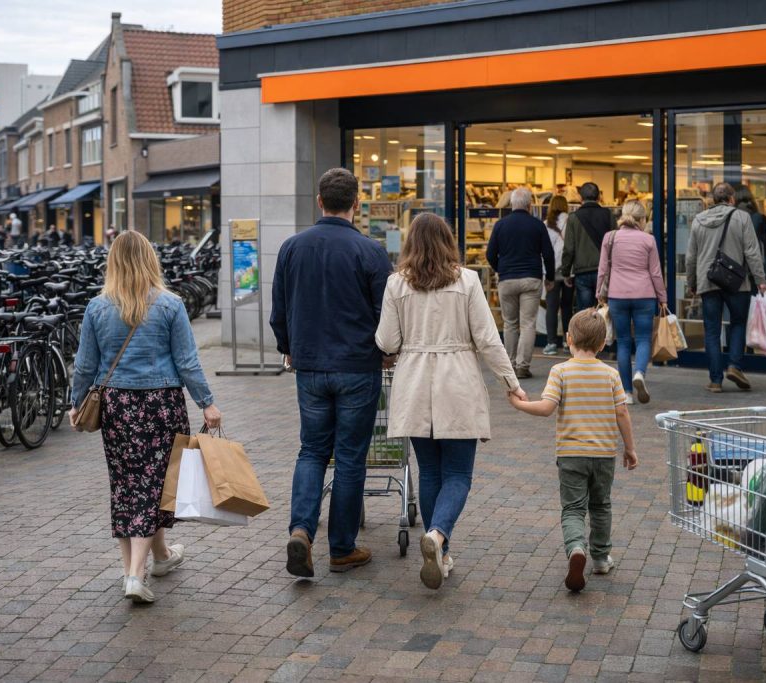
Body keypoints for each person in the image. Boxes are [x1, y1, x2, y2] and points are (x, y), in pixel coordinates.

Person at [70, 231, 222, 604]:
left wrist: (76, 402)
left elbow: (85, 364)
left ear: (113, 263)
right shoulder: (170, 304)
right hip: (162, 405)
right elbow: (187, 361)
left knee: (127, 485)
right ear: (150, 260)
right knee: (153, 485)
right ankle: (135, 575)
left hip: (117, 407)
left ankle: (158, 558)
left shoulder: (97, 307)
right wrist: (206, 402)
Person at [375, 213, 526, 589]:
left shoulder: (396, 283)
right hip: (457, 382)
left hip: (414, 382)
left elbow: (387, 341)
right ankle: (438, 536)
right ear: (448, 242)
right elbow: (488, 339)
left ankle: (439, 550)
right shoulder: (467, 280)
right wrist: (510, 382)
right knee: (458, 474)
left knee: (430, 472)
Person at [270, 168, 394, 578]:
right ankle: (341, 548)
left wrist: (289, 348)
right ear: (356, 203)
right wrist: (386, 351)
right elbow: (386, 313)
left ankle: (301, 530)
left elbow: (279, 310)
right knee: (350, 457)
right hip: (358, 366)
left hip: (309, 366)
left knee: (311, 450)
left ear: (319, 201)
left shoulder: (291, 248)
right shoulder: (371, 251)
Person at [509, 309, 638, 592]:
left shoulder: (560, 371)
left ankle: (576, 548)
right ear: (603, 343)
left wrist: (519, 405)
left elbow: (546, 408)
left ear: (569, 339)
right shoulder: (611, 374)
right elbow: (622, 413)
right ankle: (601, 558)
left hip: (570, 455)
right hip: (604, 455)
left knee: (573, 509)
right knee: (601, 505)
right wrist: (630, 448)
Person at [685, 182, 766, 393]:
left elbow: (691, 257)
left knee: (712, 330)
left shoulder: (699, 220)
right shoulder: (742, 217)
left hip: (708, 281)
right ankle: (734, 366)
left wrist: (692, 282)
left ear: (712, 199)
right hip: (736, 282)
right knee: (738, 323)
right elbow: (752, 251)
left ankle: (715, 380)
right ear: (732, 199)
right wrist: (760, 279)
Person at [595, 200, 666, 405]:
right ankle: (640, 373)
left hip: (617, 295)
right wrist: (662, 297)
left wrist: (599, 292)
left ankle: (626, 393)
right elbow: (655, 272)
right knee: (643, 339)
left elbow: (603, 269)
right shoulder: (648, 240)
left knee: (624, 342)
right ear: (642, 219)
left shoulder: (610, 237)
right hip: (645, 295)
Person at [486, 187, 555, 379]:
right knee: (528, 324)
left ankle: (510, 365)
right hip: (531, 279)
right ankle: (523, 366)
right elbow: (548, 254)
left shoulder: (500, 225)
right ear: (529, 205)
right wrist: (550, 278)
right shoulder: (537, 225)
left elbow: (490, 254)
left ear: (511, 204)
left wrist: (501, 269)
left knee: (510, 324)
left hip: (507, 279)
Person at [561, 182, 617, 313]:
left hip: (582, 272)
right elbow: (615, 243)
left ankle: (587, 327)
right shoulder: (608, 215)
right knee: (604, 311)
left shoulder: (573, 218)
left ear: (581, 197)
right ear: (599, 197)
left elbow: (569, 248)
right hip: (604, 271)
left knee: (585, 313)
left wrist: (566, 272)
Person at [543, 195, 573, 355]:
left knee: (551, 307)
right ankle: (568, 342)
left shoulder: (546, 224)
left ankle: (551, 343)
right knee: (567, 307)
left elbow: (543, 250)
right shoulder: (571, 221)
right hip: (568, 270)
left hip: (552, 271)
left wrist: (546, 273)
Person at [735, 185, 766, 286]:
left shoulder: (730, 219)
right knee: (758, 296)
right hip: (757, 271)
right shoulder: (759, 218)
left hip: (734, 271)